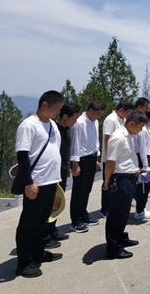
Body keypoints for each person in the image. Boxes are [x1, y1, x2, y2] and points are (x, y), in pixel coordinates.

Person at [15, 91, 65, 278]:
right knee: (29, 224)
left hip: (50, 181)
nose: (58, 112)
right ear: (45, 105)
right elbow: (23, 155)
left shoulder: (52, 125)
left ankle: (38, 253)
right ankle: (24, 263)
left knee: (43, 222)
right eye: (56, 108)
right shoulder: (28, 125)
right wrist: (29, 182)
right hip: (36, 183)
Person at [103, 111, 148, 259]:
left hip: (129, 178)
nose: (140, 130)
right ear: (132, 123)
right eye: (140, 127)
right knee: (117, 213)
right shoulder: (118, 137)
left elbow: (127, 158)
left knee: (124, 212)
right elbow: (110, 162)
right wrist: (107, 181)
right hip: (120, 179)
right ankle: (113, 247)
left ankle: (120, 237)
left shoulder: (129, 135)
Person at [45, 102, 81, 245]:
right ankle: (44, 236)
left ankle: (52, 230)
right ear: (65, 116)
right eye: (74, 119)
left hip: (62, 171)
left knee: (57, 202)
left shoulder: (65, 130)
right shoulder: (54, 130)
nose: (75, 122)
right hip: (52, 172)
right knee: (48, 204)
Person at [70, 101, 105, 232]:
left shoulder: (94, 122)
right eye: (97, 114)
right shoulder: (79, 123)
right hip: (81, 159)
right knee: (78, 191)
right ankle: (75, 220)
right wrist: (75, 164)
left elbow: (95, 141)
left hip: (91, 157)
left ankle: (83, 214)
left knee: (87, 189)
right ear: (90, 111)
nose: (98, 117)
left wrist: (96, 157)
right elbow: (75, 144)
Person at [100, 100, 134, 218]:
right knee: (107, 183)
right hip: (110, 158)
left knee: (115, 184)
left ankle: (113, 205)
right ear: (121, 110)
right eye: (127, 112)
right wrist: (109, 157)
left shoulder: (122, 119)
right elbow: (107, 139)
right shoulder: (111, 119)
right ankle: (105, 208)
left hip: (119, 157)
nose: (128, 115)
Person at [133, 108, 150, 219]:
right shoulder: (143, 129)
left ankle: (142, 208)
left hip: (149, 157)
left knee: (146, 186)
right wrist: (145, 166)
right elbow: (142, 149)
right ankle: (139, 211)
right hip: (143, 159)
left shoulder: (149, 128)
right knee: (143, 186)